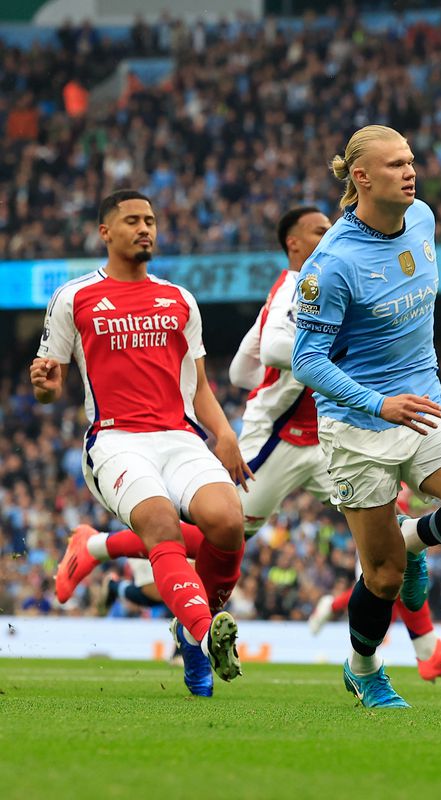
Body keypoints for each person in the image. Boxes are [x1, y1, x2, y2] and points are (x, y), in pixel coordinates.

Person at [62, 206, 441, 681]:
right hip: (276, 442)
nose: (330, 236)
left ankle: (427, 647)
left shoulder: (314, 283)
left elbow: (241, 368)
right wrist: (331, 360)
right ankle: (98, 548)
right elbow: (269, 350)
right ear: (293, 244)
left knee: (394, 527)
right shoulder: (295, 287)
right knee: (219, 535)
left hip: (324, 438)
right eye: (319, 231)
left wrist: (280, 380)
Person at [291, 125, 441, 708]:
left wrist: (401, 398)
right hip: (357, 424)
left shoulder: (423, 219)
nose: (410, 172)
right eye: (395, 165)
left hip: (424, 405)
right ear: (362, 178)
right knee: (384, 578)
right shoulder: (331, 264)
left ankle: (411, 536)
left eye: (411, 161)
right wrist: (377, 402)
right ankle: (363, 668)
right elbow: (306, 360)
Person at [34, 189, 245, 696]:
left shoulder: (180, 299)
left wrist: (224, 433)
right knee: (161, 524)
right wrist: (44, 387)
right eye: (132, 220)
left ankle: (190, 632)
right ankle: (202, 634)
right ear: (105, 232)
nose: (144, 228)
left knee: (228, 524)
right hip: (115, 440)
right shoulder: (74, 297)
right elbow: (49, 383)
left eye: (149, 220)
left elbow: (199, 385)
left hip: (179, 436)